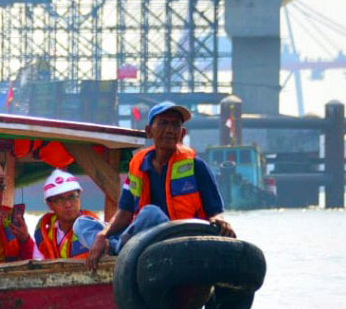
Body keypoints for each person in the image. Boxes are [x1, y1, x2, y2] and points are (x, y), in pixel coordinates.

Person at [83, 101, 235, 270]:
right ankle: (115, 246)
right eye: (163, 123)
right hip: (144, 238)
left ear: (182, 133)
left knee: (150, 212)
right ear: (149, 131)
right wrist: (102, 235)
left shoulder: (196, 166)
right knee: (82, 224)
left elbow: (215, 212)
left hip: (180, 239)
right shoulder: (137, 166)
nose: (170, 130)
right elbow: (125, 212)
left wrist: (220, 221)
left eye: (175, 125)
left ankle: (119, 250)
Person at [32, 169, 100, 260]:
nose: (68, 204)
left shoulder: (95, 228)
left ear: (79, 197)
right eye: (60, 199)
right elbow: (37, 263)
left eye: (72, 197)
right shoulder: (45, 232)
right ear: (50, 204)